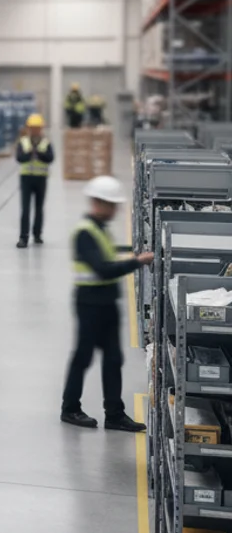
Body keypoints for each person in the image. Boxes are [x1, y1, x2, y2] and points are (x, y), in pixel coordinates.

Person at [61, 176, 153, 432]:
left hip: (107, 304)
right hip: (89, 304)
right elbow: (102, 269)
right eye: (111, 205)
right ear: (98, 203)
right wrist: (138, 261)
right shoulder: (84, 233)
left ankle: (114, 414)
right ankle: (70, 409)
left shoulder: (100, 229)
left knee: (113, 358)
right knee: (83, 357)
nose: (115, 210)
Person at [15, 114, 53, 248]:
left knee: (39, 208)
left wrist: (39, 154)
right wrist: (30, 153)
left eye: (37, 128)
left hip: (41, 178)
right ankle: (23, 237)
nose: (35, 130)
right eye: (33, 128)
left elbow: (50, 158)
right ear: (29, 128)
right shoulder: (23, 142)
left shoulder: (46, 142)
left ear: (41, 129)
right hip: (26, 178)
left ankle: (37, 235)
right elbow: (19, 158)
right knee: (25, 208)